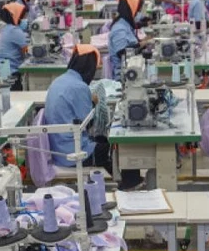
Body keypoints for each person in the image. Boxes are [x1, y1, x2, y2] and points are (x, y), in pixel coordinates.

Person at [44, 45, 142, 190]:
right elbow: (89, 123)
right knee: (120, 146)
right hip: (73, 151)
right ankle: (128, 185)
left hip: (58, 148)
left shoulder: (60, 81)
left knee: (105, 140)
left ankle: (123, 180)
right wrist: (94, 103)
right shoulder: (79, 87)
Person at [108, 0, 145, 81]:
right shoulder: (119, 28)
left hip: (133, 73)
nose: (137, 14)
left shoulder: (126, 25)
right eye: (136, 11)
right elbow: (123, 53)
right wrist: (143, 44)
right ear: (130, 11)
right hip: (124, 78)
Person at [0, 2, 29, 87]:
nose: (25, 20)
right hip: (11, 72)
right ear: (16, 16)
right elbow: (26, 50)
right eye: (23, 17)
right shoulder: (14, 31)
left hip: (4, 69)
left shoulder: (7, 28)